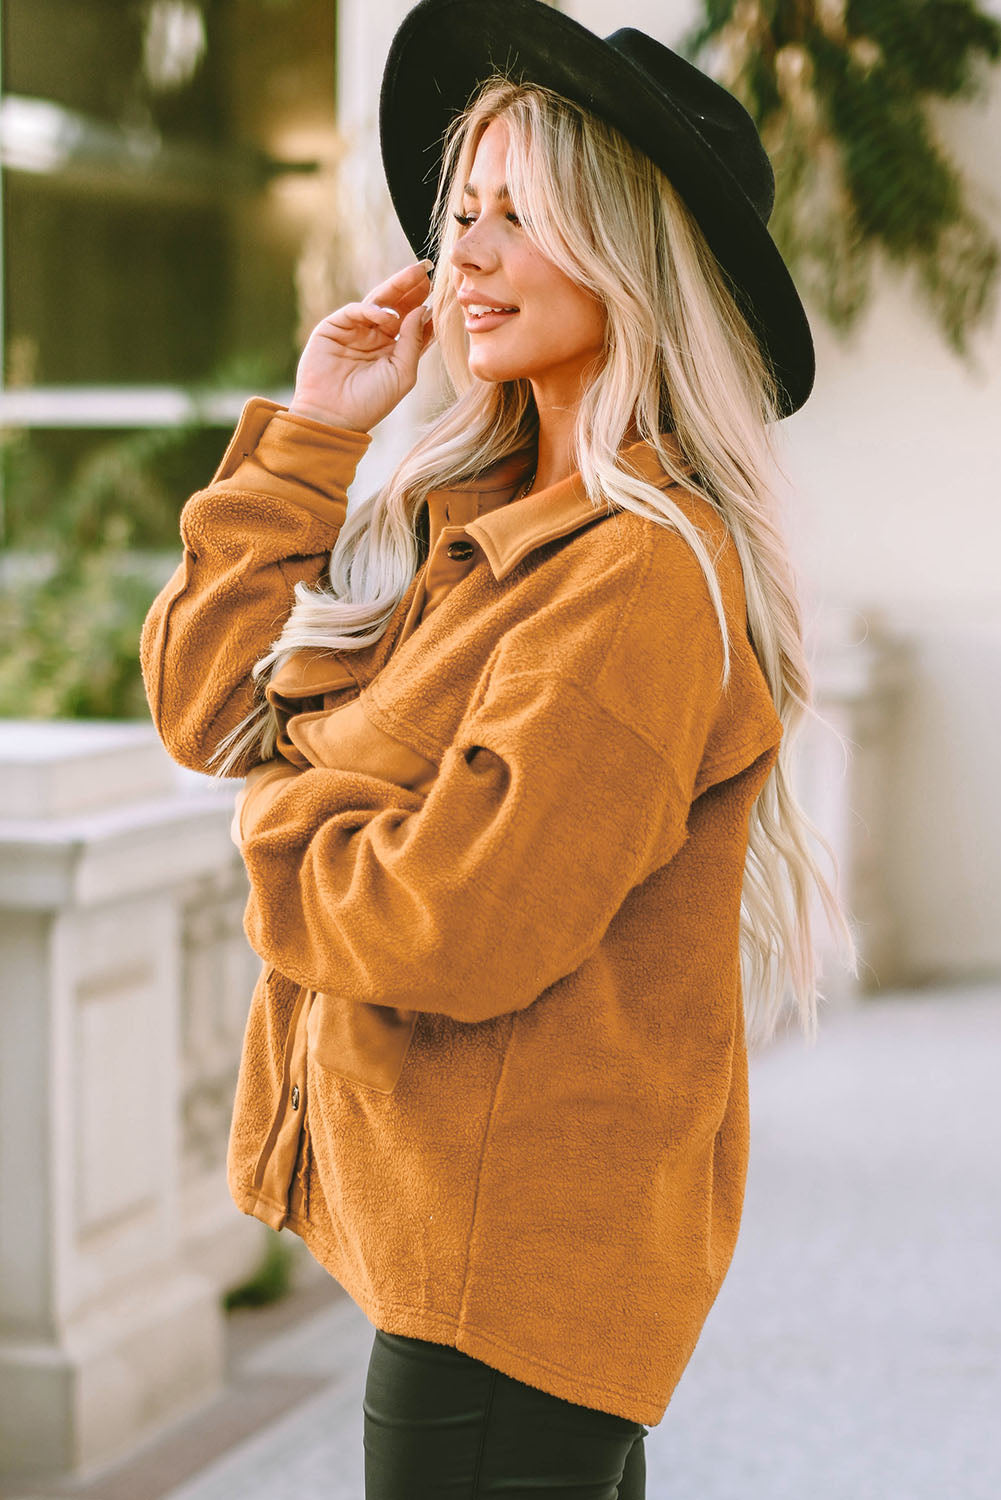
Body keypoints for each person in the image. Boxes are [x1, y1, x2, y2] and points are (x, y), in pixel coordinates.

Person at [140, 1, 856, 1494]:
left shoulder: (637, 574)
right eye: (461, 211)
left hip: (508, 1288)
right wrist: (315, 437)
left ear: (630, 253)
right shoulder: (476, 519)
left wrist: (277, 813)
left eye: (520, 215)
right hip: (466, 1260)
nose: (463, 252)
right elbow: (209, 708)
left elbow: (454, 921)